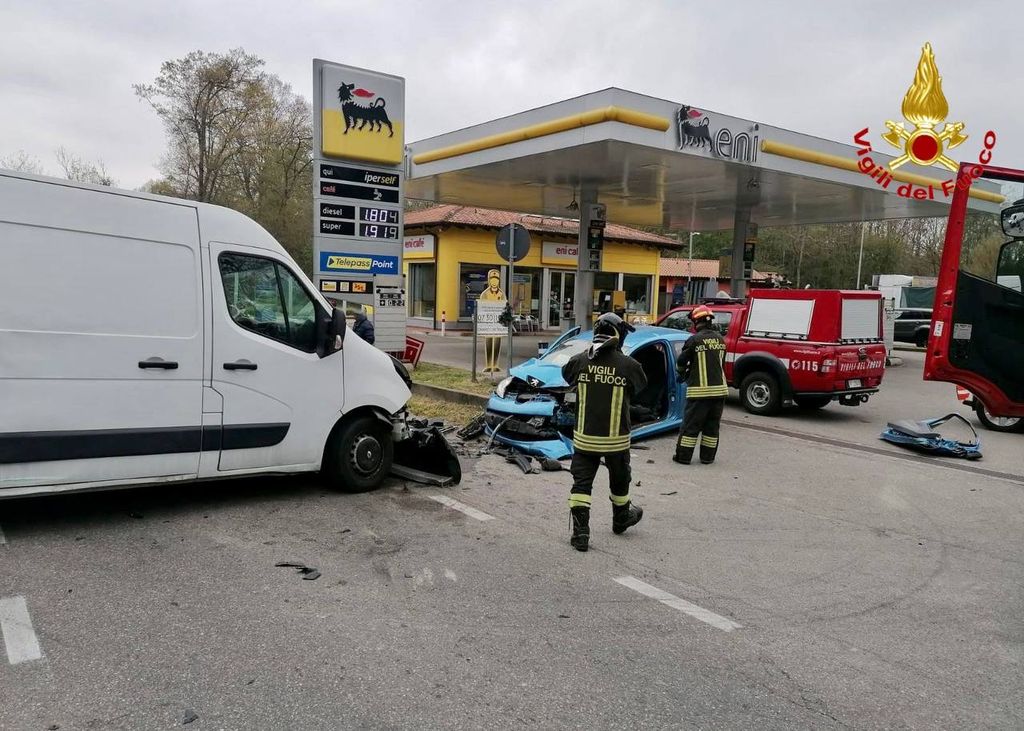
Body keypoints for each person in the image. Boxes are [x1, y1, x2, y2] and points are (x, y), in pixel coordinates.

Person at [561, 312, 647, 552]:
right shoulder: (629, 366)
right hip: (616, 442)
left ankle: (580, 534)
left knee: (581, 484)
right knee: (620, 480)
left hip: (585, 439)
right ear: (618, 335)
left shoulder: (579, 361)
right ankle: (621, 519)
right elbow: (641, 387)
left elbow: (566, 375)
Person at [674, 305, 728, 465]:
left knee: (691, 426)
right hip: (720, 391)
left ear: (697, 322)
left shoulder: (695, 340)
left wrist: (682, 374)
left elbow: (681, 361)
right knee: (712, 427)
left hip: (700, 392)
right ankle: (707, 457)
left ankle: (683, 457)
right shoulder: (720, 339)